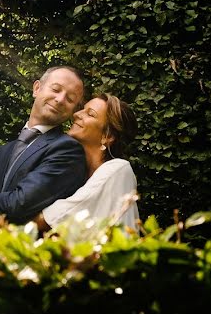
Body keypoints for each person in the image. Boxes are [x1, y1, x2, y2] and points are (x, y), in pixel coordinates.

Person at [0, 66, 87, 228]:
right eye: (56, 89)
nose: (60, 99)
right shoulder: (2, 152)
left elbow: (18, 204)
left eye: (70, 99)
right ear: (37, 88)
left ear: (72, 110)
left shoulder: (68, 150)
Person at [35, 94, 140, 232]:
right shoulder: (76, 174)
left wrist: (4, 221)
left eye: (90, 114)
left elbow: (57, 217)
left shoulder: (119, 169)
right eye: (82, 109)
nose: (77, 114)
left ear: (107, 136)